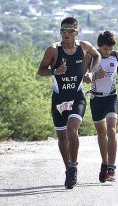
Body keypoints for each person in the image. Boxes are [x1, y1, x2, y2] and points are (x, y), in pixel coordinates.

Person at [38, 17, 101, 189]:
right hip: (59, 99)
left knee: (72, 129)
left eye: (69, 31)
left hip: (77, 96)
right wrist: (54, 71)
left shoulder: (84, 47)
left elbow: (97, 56)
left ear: (76, 32)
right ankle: (69, 170)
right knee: (62, 136)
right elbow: (40, 70)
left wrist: (91, 73)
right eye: (63, 30)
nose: (66, 34)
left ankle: (73, 166)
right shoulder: (53, 50)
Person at [84, 31, 118, 183]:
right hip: (96, 99)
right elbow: (83, 76)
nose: (107, 52)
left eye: (110, 49)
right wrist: (94, 76)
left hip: (111, 97)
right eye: (104, 49)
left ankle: (111, 168)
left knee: (111, 129)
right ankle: (104, 162)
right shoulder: (91, 57)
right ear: (99, 47)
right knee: (101, 133)